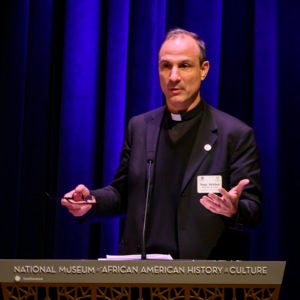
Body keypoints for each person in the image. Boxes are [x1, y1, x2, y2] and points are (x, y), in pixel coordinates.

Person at [61, 28, 262, 260]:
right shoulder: (140, 127)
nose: (173, 76)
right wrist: (91, 201)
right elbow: (122, 192)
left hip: (202, 278)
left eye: (184, 66)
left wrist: (234, 209)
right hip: (141, 274)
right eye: (166, 66)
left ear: (203, 70)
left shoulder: (234, 134)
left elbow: (253, 210)